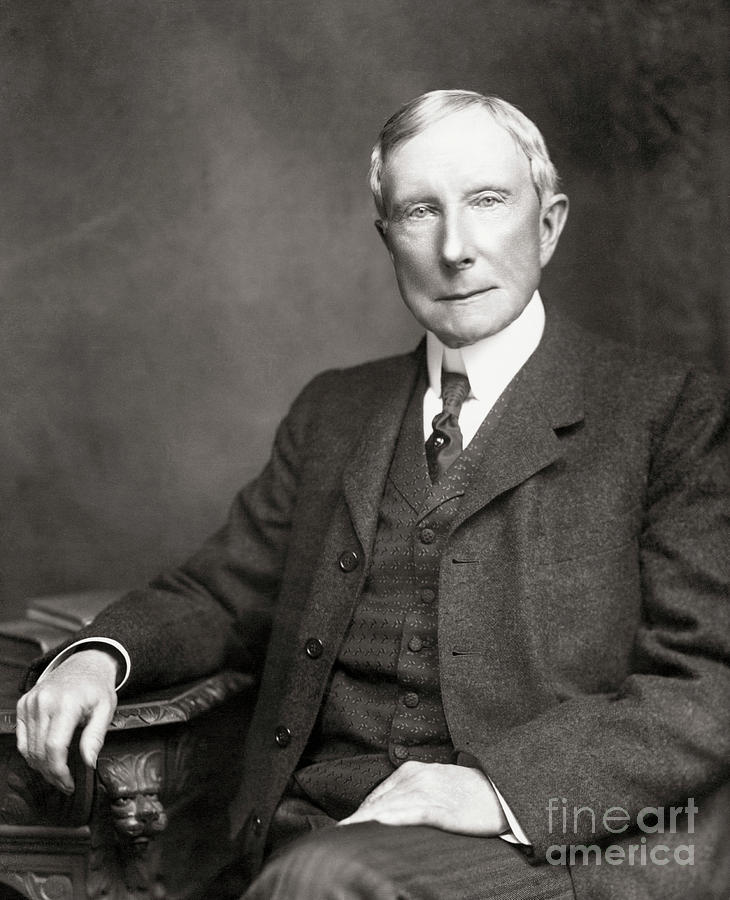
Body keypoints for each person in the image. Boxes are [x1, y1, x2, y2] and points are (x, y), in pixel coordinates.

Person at [15, 90, 730, 899]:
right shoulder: (334, 411)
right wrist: (96, 658)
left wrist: (499, 789)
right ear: (387, 237)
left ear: (550, 223)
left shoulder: (670, 413)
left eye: (487, 202)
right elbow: (221, 594)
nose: (455, 248)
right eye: (421, 212)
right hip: (303, 831)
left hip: (539, 848)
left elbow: (708, 680)